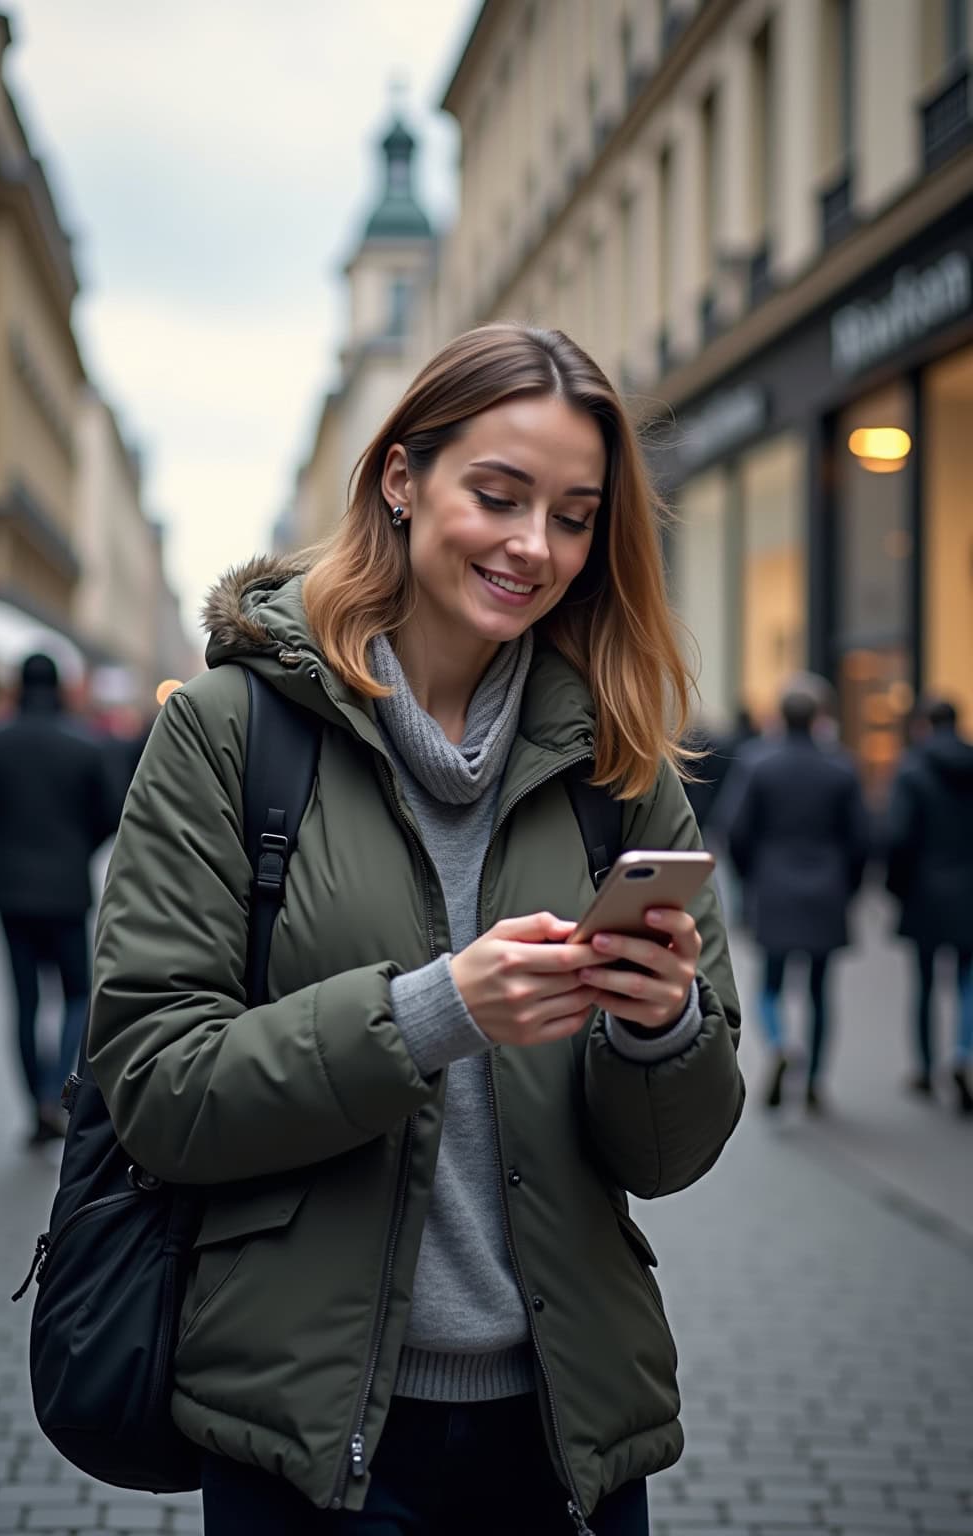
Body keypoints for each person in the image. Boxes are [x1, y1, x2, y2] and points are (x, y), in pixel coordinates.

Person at [88, 324, 744, 1536]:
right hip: (312, 1442)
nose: (531, 546)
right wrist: (433, 1012)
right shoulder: (234, 734)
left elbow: (669, 1156)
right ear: (402, 479)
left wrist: (662, 1029)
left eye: (573, 515)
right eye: (497, 495)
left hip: (566, 1435)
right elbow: (155, 1084)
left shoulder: (618, 764)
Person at [0, 653, 118, 1144]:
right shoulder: (85, 746)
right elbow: (110, 812)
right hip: (66, 889)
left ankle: (35, 1102)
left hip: (10, 890)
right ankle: (53, 1088)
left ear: (19, 687)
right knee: (75, 995)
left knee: (24, 1001)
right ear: (60, 687)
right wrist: (76, 850)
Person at [728, 687, 868, 1112]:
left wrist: (750, 877)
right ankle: (814, 1082)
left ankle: (778, 1043)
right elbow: (862, 838)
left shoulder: (759, 764)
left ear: (780, 717)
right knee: (820, 990)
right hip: (827, 887)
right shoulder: (841, 767)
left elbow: (735, 830)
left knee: (770, 982)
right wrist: (850, 887)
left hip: (773, 885)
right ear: (819, 717)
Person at [885, 697, 973, 1114]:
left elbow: (898, 837)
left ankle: (925, 1067)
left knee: (924, 984)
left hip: (924, 892)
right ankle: (962, 1053)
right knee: (966, 982)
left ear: (924, 725)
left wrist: (895, 889)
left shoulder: (913, 770)